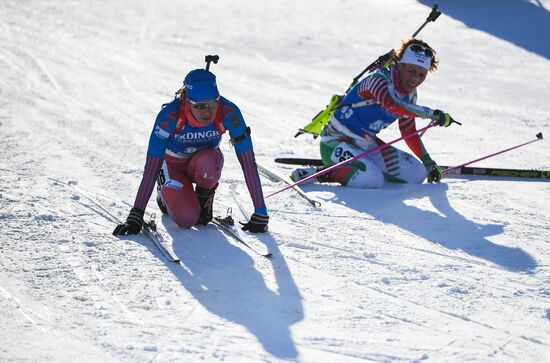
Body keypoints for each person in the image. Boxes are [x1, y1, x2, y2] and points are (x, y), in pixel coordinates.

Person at [113, 68, 269, 235]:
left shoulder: (229, 112)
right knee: (187, 219)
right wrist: (136, 213)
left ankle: (204, 198)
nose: (208, 111)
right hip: (172, 166)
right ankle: (165, 196)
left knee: (209, 159)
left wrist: (261, 211)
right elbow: (151, 167)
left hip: (202, 165)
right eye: (200, 106)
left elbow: (248, 163)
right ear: (187, 102)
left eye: (213, 103)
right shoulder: (169, 116)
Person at [291, 38, 458, 188]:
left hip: (367, 145)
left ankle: (363, 164)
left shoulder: (411, 94)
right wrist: (431, 113)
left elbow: (408, 131)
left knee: (417, 173)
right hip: (335, 141)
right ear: (399, 65)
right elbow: (391, 105)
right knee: (373, 180)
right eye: (411, 71)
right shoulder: (378, 80)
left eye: (422, 74)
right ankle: (319, 173)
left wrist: (428, 162)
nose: (415, 79)